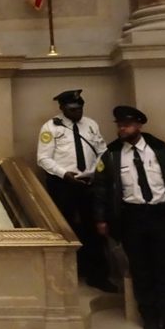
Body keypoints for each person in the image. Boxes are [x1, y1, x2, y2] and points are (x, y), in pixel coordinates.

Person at [93, 105, 165, 329]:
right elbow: (100, 190)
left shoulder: (163, 151)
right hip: (131, 218)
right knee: (140, 269)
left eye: (126, 125)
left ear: (139, 125)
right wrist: (101, 218)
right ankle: (149, 317)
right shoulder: (111, 155)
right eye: (119, 125)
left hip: (161, 216)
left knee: (164, 270)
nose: (122, 129)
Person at [37, 89, 116, 292]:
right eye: (72, 109)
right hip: (63, 184)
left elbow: (102, 152)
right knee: (64, 230)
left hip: (89, 183)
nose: (77, 112)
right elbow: (43, 158)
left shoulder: (90, 125)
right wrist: (64, 174)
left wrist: (94, 171)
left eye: (80, 108)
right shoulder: (51, 127)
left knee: (95, 228)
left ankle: (98, 275)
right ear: (62, 108)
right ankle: (64, 277)